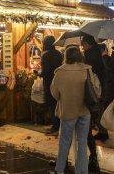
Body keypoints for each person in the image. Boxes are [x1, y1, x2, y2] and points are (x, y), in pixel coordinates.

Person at [50, 46, 91, 174]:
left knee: (65, 141)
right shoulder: (87, 70)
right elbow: (95, 89)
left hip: (68, 110)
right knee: (83, 141)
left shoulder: (60, 72)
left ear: (66, 56)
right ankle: (82, 170)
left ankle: (60, 169)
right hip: (85, 110)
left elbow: (54, 92)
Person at [81, 34, 104, 172]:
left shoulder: (90, 56)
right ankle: (93, 156)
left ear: (88, 43)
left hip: (92, 92)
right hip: (96, 90)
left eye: (83, 42)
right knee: (87, 128)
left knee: (82, 130)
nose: (82, 45)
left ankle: (88, 158)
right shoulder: (95, 52)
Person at [41, 36, 63, 136]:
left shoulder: (45, 55)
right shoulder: (59, 54)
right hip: (58, 81)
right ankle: (60, 124)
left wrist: (39, 74)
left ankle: (55, 125)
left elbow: (45, 72)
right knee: (58, 103)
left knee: (51, 104)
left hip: (49, 82)